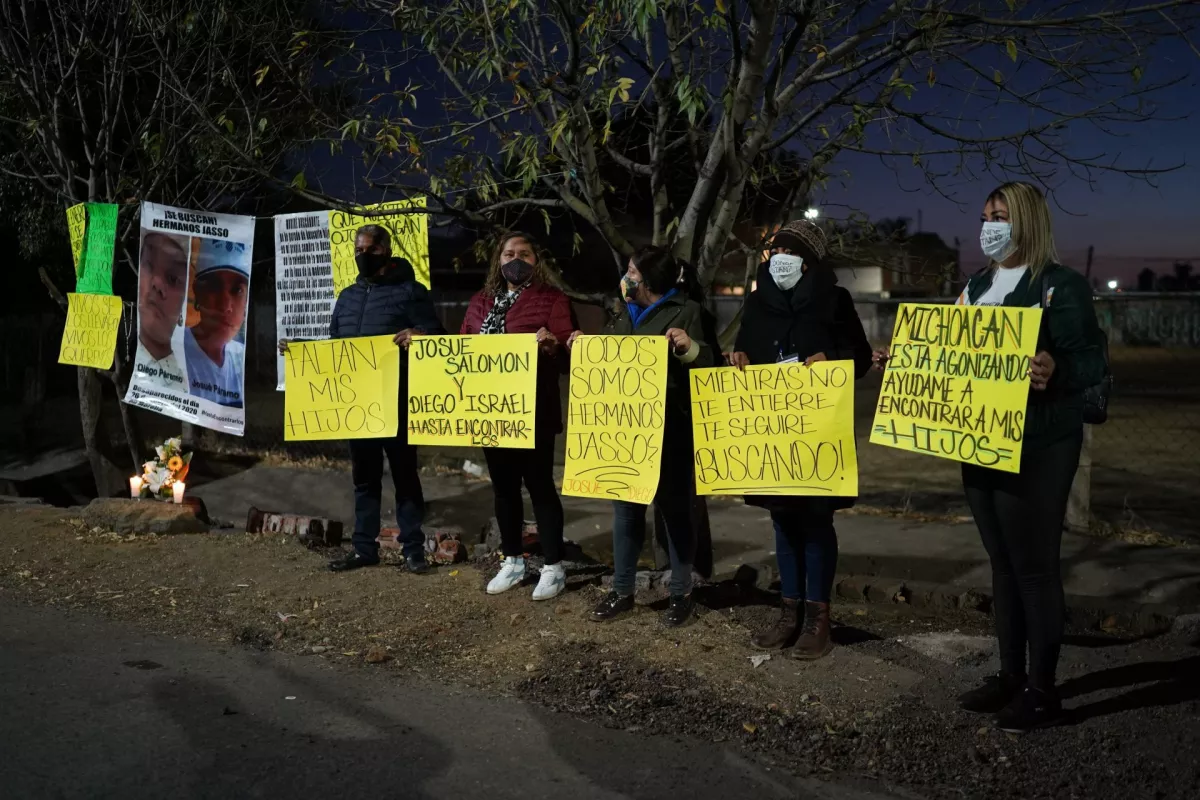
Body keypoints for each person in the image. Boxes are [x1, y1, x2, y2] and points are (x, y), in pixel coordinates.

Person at [872, 182, 1106, 732]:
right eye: (984, 216)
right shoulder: (976, 285)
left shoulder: (1060, 286)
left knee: (1034, 568)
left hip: (1039, 443)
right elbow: (955, 350)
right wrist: (905, 360)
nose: (989, 226)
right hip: (979, 440)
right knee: (1002, 565)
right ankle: (1009, 676)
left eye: (999, 215)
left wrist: (1055, 369)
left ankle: (1044, 692)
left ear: (1026, 221)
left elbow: (1092, 360)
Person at [727, 218, 872, 660]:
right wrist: (738, 358)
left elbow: (861, 357)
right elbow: (744, 349)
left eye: (790, 252)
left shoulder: (835, 300)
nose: (780, 260)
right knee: (782, 523)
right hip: (771, 435)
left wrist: (833, 360)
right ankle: (788, 613)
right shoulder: (757, 304)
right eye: (776, 251)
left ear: (808, 262)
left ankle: (817, 619)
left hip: (816, 434)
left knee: (814, 524)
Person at [279, 224, 445, 574]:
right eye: (358, 250)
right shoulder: (348, 297)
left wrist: (420, 335)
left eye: (369, 249)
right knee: (364, 479)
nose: (362, 256)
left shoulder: (411, 291)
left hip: (397, 399)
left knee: (405, 477)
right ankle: (363, 548)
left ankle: (413, 549)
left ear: (385, 250)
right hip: (358, 404)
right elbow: (338, 349)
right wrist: (300, 353)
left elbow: (438, 336)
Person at [567, 246, 715, 628]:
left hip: (671, 432)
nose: (626, 278)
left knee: (676, 515)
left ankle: (681, 594)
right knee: (626, 512)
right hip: (625, 434)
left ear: (647, 281)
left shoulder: (688, 312)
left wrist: (689, 347)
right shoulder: (620, 315)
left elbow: (710, 364)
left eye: (632, 271)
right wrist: (583, 347)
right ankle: (622, 591)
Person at [462, 232, 577, 601]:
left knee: (540, 487)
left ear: (535, 260)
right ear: (498, 260)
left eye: (524, 254)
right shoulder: (481, 302)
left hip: (534, 411)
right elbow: (462, 347)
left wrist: (553, 346)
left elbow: (569, 355)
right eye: (509, 254)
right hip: (489, 412)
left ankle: (553, 567)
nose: (516, 259)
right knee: (504, 489)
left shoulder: (552, 299)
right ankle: (512, 560)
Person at [185, 239, 250, 408]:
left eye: (238, 290)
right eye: (214, 287)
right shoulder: (176, 350)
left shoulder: (239, 355)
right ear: (197, 292)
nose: (225, 306)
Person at [136, 232, 190, 382]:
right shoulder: (120, 364)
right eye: (149, 266)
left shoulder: (187, 387)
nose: (157, 283)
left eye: (172, 279)